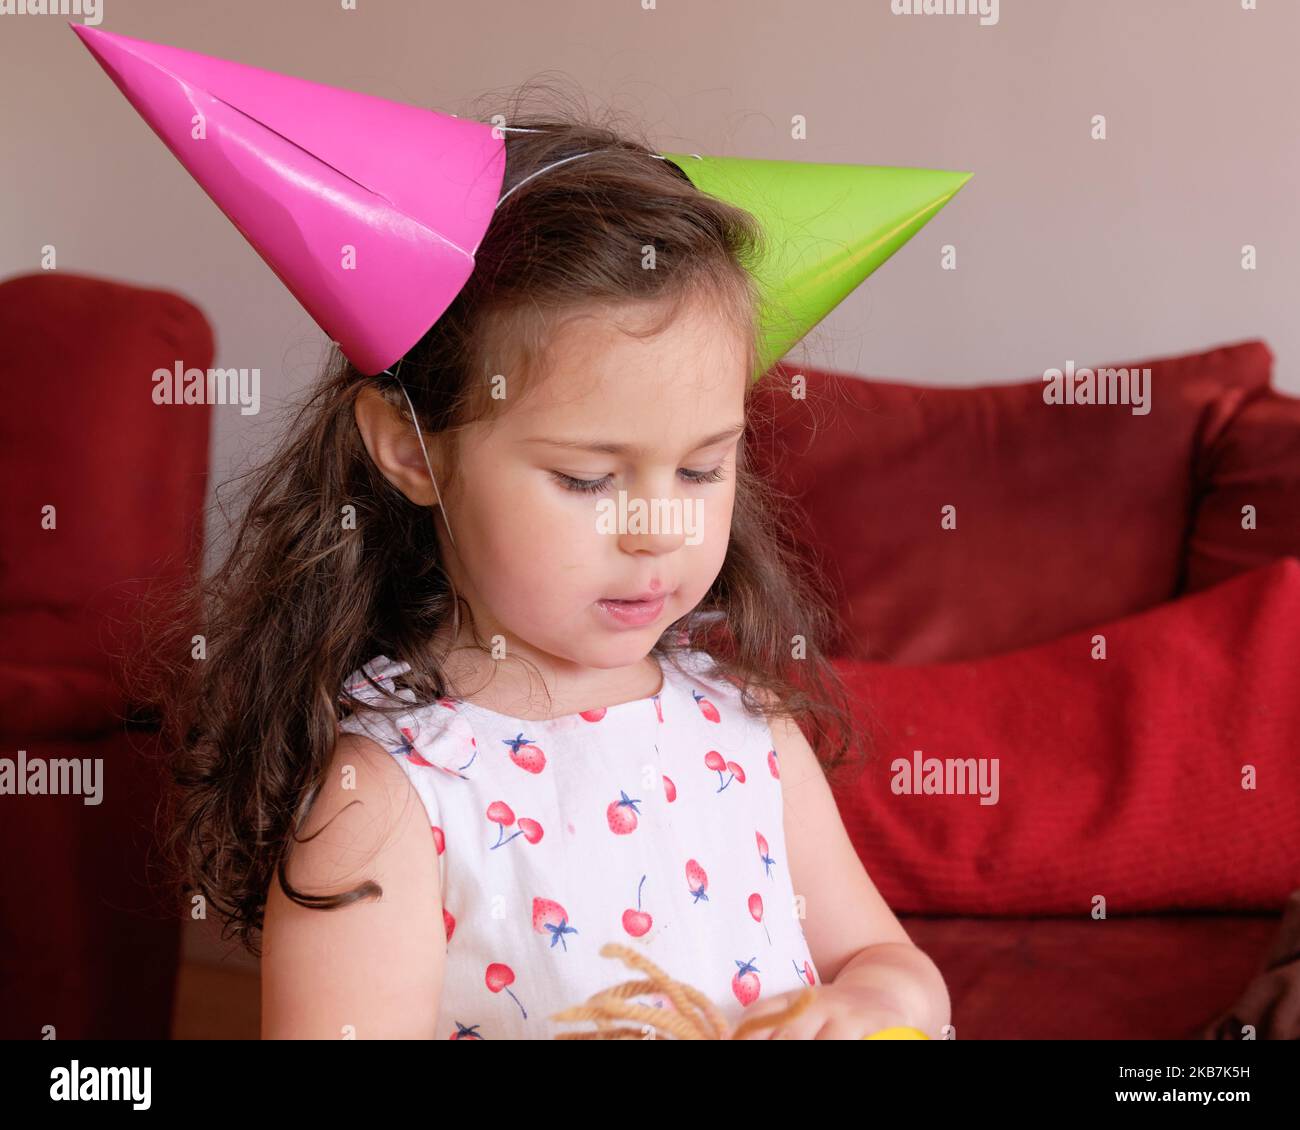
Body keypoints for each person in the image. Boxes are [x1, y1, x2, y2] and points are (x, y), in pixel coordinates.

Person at [125, 77, 953, 1038]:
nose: (658, 528)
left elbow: (887, 962)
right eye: (587, 480)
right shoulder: (389, 800)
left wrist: (869, 1004)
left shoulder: (749, 740)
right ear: (410, 448)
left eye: (700, 468)